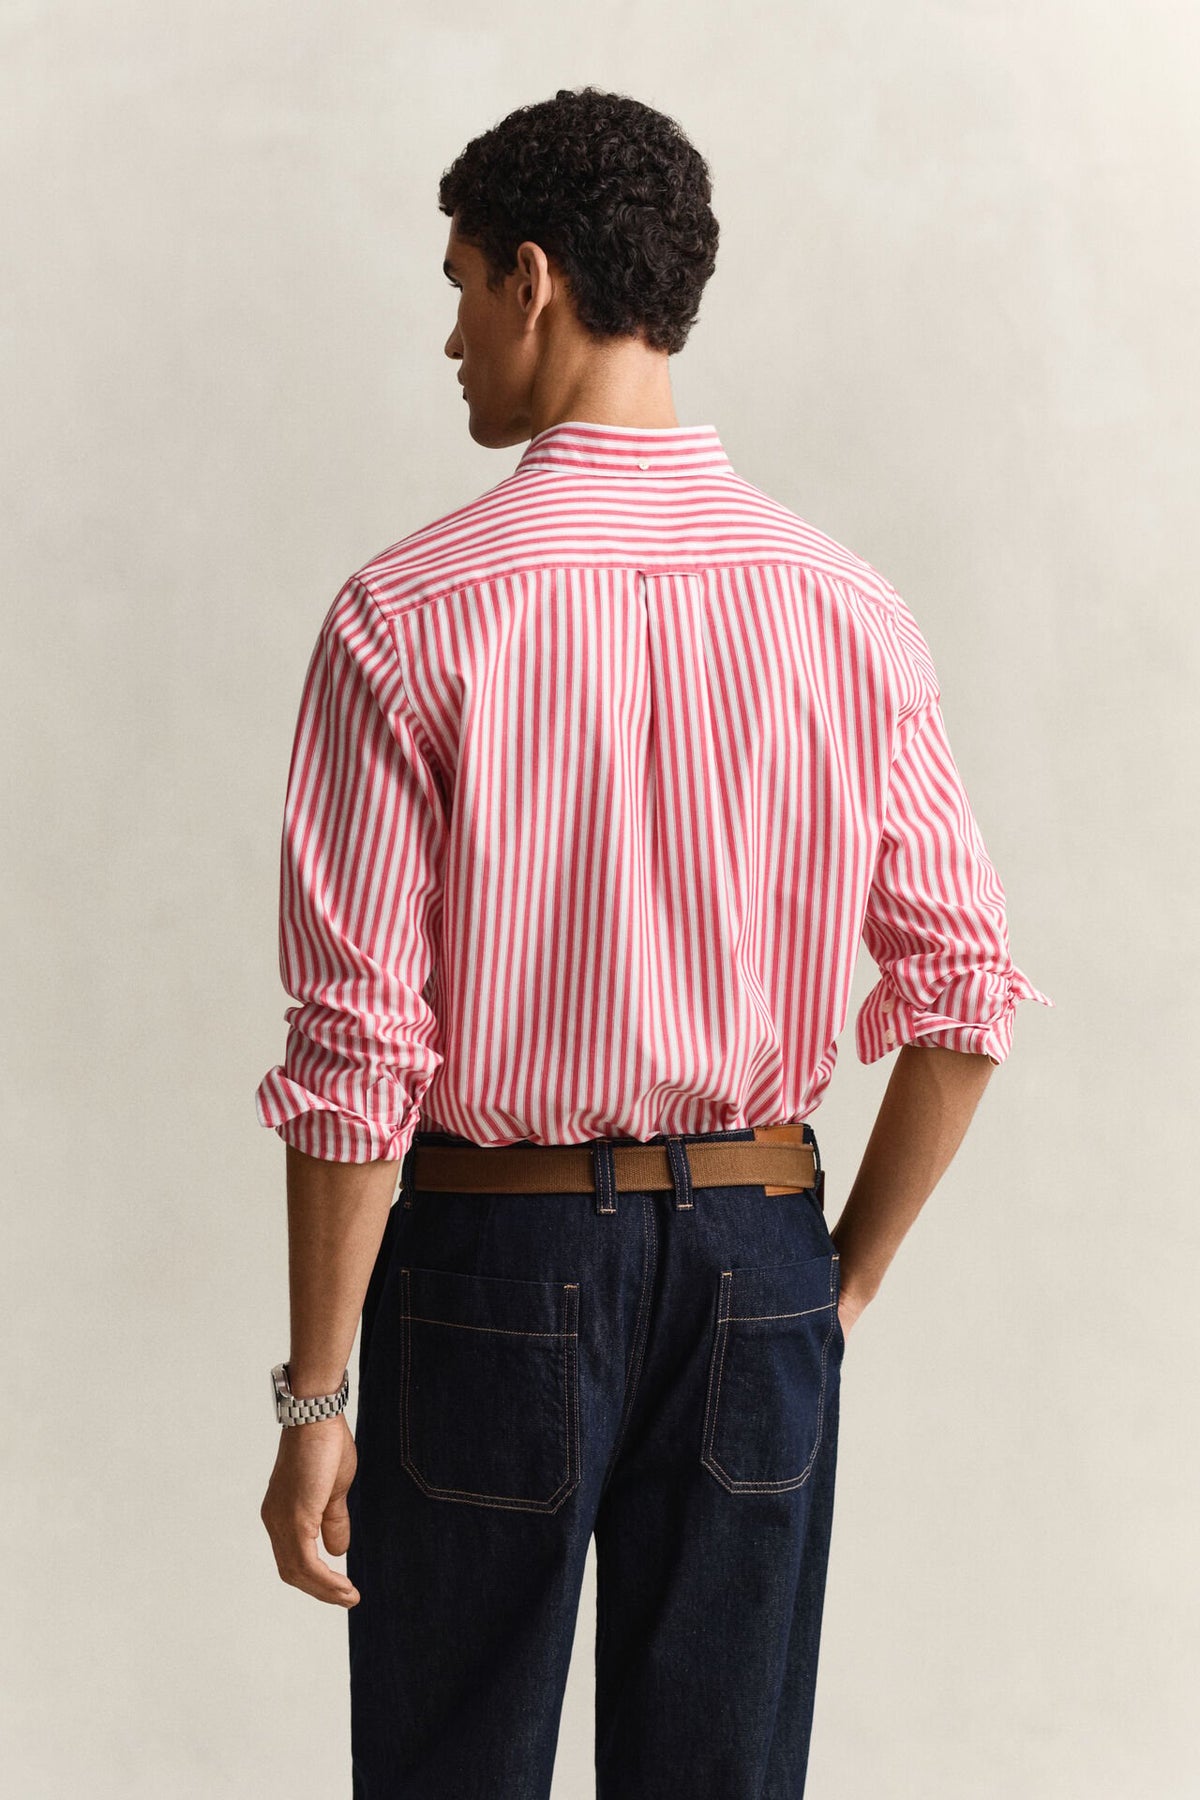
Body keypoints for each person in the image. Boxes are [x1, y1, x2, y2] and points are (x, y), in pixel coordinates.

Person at [257, 84, 1052, 1799]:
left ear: (533, 278)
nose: (451, 335)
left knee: (449, 1770)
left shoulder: (410, 615)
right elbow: (966, 993)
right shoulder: (846, 608)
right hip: (761, 1253)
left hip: (494, 1255)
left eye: (460, 283)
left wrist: (315, 1402)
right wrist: (832, 1288)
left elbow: (359, 1056)